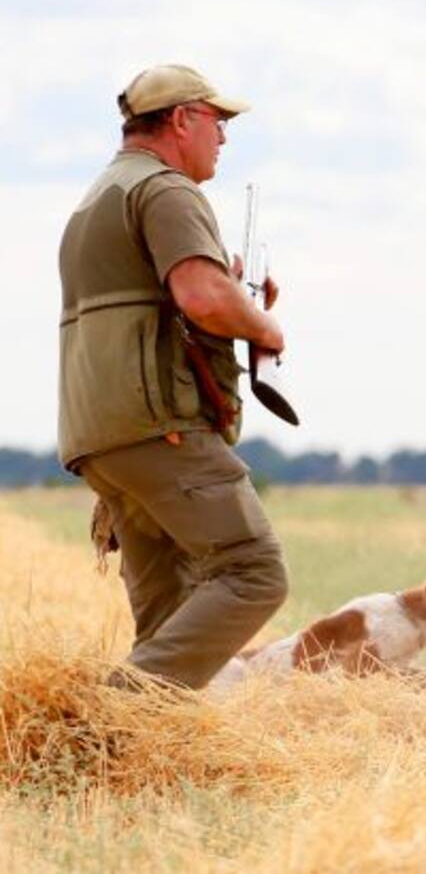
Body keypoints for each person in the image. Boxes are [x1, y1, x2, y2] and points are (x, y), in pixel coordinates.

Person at [57, 64, 288, 689]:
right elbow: (204, 298)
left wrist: (223, 284)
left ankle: (133, 761)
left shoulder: (98, 198)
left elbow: (168, 298)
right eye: (218, 121)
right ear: (182, 119)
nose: (224, 137)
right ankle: (103, 718)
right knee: (254, 571)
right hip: (160, 425)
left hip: (103, 436)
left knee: (170, 617)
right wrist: (263, 326)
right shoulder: (166, 191)